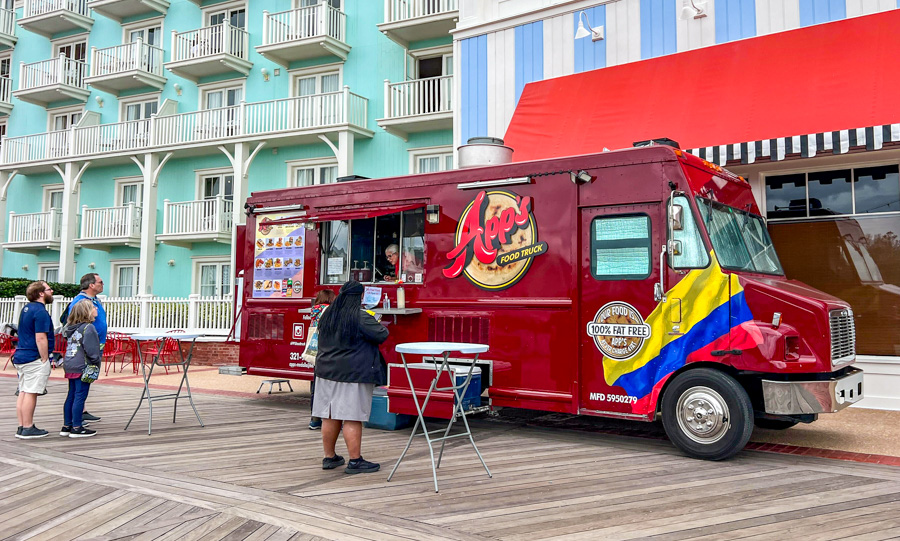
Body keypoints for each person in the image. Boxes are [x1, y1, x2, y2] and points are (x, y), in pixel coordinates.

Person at [313, 280, 388, 474]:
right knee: (352, 417)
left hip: (325, 372)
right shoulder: (360, 317)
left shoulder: (327, 315)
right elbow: (382, 334)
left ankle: (329, 457)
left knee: (329, 415)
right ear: (360, 297)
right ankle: (355, 461)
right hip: (352, 373)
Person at [63, 273, 107, 424]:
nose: (103, 284)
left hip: (89, 348)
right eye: (100, 282)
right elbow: (75, 324)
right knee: (79, 390)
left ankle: (77, 415)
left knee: (79, 390)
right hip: (85, 352)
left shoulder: (94, 300)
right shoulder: (80, 302)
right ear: (91, 285)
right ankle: (76, 423)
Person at [14, 281, 55, 439]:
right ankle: (28, 427)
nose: (51, 291)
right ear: (41, 294)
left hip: (21, 355)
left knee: (23, 390)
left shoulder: (26, 309)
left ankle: (22, 426)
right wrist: (44, 358)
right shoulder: (40, 312)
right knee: (31, 392)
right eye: (49, 289)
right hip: (33, 357)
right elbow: (41, 337)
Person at [60, 299, 101, 438]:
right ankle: (77, 426)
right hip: (82, 365)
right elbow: (92, 351)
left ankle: (67, 425)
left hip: (70, 363)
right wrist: (96, 361)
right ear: (87, 312)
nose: (96, 309)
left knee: (71, 394)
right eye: (93, 307)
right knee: (80, 395)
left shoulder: (71, 328)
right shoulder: (89, 328)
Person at [307, 289, 336, 430]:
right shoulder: (330, 310)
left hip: (316, 351)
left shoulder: (315, 310)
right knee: (329, 386)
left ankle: (314, 418)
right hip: (328, 350)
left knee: (315, 384)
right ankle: (331, 419)